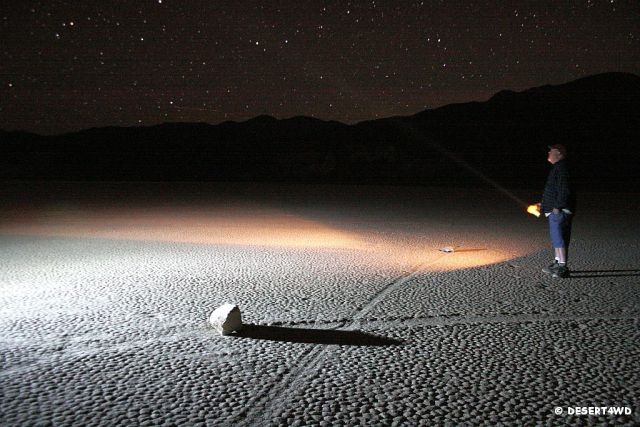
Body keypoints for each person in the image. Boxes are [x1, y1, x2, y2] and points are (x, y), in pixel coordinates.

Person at [539, 144, 575, 278]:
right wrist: (544, 204)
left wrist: (558, 206)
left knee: (559, 238)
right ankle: (557, 262)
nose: (548, 152)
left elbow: (564, 189)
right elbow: (554, 191)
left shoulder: (562, 168)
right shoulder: (558, 168)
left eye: (551, 151)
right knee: (557, 238)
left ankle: (562, 267)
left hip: (559, 211)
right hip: (556, 209)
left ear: (559, 153)